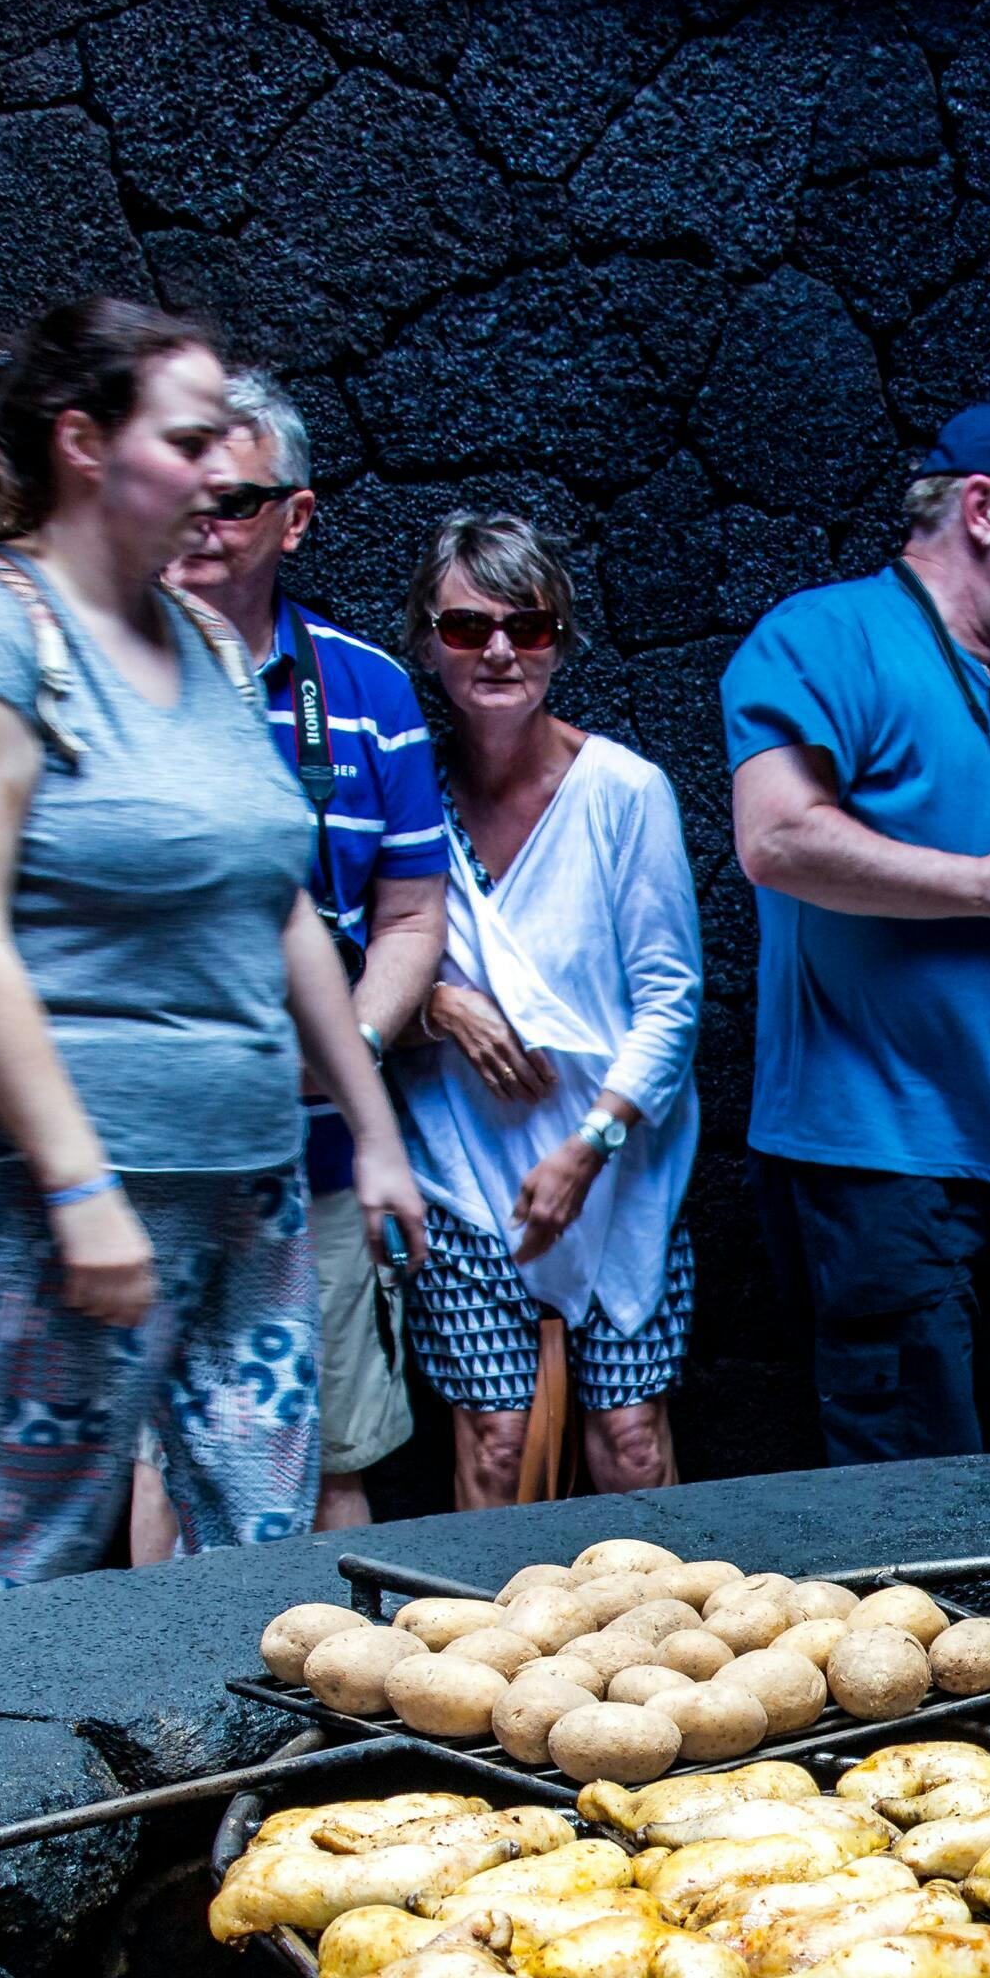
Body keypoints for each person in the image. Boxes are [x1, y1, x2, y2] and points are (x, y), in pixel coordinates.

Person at [0, 300, 422, 1598]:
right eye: (188, 441)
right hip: (47, 1173)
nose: (221, 471)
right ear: (82, 443)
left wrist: (374, 1127)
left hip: (247, 1164)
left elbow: (280, 900)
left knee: (268, 1547)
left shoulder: (205, 644)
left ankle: (231, 1798)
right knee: (30, 1549)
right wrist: (79, 1189)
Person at [726, 399, 990, 1462]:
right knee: (915, 1505)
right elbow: (774, 839)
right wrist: (987, 885)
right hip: (878, 1154)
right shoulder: (826, 633)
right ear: (982, 507)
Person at [166, 373, 454, 1537]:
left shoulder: (368, 692)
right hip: (150, 1157)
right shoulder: (71, 683)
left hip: (320, 1155)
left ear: (295, 517)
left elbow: (410, 916)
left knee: (335, 1459)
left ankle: (335, 1712)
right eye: (174, 492)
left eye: (229, 502)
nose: (195, 523)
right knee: (164, 1478)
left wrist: (348, 1051)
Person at [398, 512, 704, 1505]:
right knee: (496, 1442)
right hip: (466, 1163)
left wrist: (589, 1148)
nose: (496, 650)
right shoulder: (410, 801)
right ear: (425, 640)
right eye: (465, 626)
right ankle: (482, 1643)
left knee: (630, 1443)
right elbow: (357, 960)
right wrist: (438, 1001)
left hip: (613, 1161)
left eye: (525, 628)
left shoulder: (622, 792)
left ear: (559, 640)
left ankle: (661, 1641)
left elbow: (670, 1003)